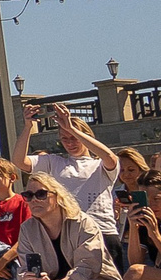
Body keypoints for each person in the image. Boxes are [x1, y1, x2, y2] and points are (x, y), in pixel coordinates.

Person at [27, 102, 122, 246]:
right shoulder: (54, 162)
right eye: (65, 138)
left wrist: (71, 128)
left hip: (102, 231)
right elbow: (19, 161)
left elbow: (110, 157)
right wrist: (28, 126)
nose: (70, 143)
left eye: (74, 138)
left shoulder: (99, 165)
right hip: (69, 233)